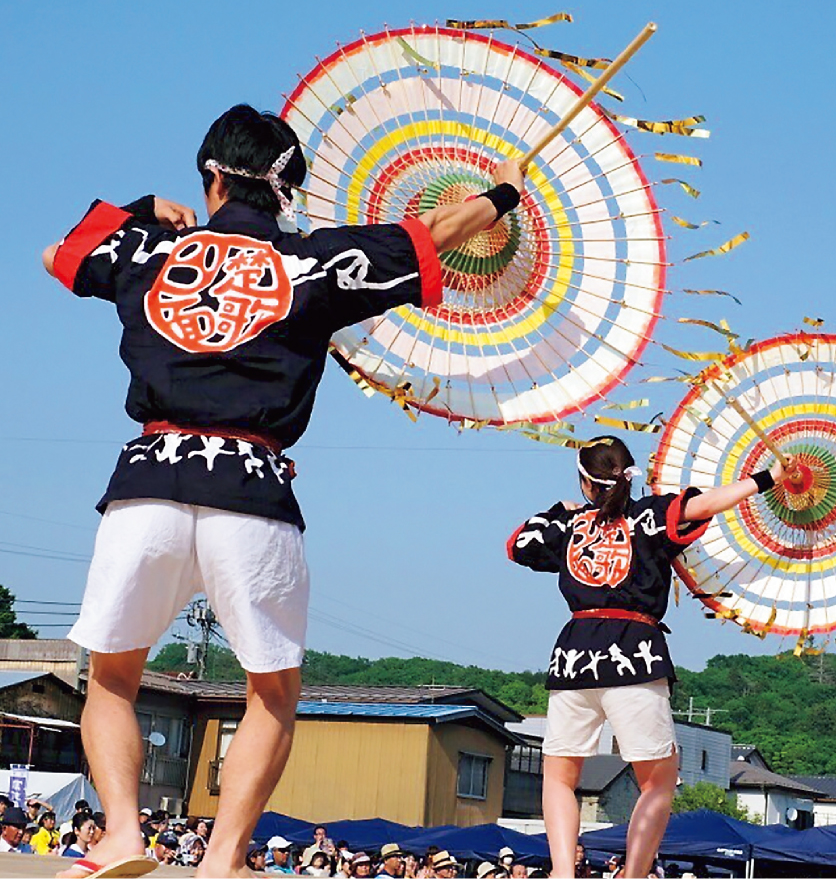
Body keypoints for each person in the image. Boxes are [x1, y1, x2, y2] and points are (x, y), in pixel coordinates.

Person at [43, 103, 523, 879]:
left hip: (148, 483)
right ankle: (224, 858)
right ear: (288, 187)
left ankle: (122, 834)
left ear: (212, 176)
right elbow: (431, 236)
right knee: (270, 692)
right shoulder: (315, 262)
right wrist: (503, 193)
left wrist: (139, 210)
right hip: (253, 489)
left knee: (113, 678)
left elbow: (57, 254)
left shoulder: (150, 249)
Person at [508, 435, 784, 878]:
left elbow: (518, 545)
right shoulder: (649, 514)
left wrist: (561, 508)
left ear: (586, 480)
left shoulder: (567, 522)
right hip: (634, 652)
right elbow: (706, 504)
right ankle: (633, 873)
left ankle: (562, 872)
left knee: (559, 776)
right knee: (657, 781)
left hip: (574, 654)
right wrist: (767, 478)